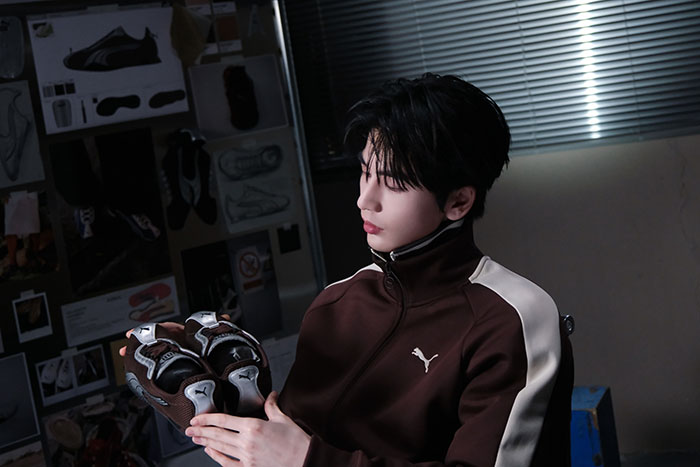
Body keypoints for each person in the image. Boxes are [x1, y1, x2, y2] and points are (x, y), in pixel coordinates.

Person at [123, 73, 573, 466]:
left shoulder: (512, 319)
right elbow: (290, 443)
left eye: (393, 182)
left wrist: (307, 460)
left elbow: (305, 456)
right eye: (364, 172)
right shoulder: (339, 302)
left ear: (458, 201)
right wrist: (206, 402)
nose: (364, 199)